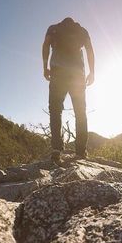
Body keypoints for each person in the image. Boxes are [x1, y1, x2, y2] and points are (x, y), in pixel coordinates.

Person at [42, 17, 95, 163]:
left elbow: (46, 45)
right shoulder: (82, 31)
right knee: (80, 111)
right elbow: (90, 50)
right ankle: (80, 151)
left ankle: (56, 150)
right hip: (77, 74)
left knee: (55, 110)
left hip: (58, 73)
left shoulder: (53, 28)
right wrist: (92, 72)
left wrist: (45, 67)